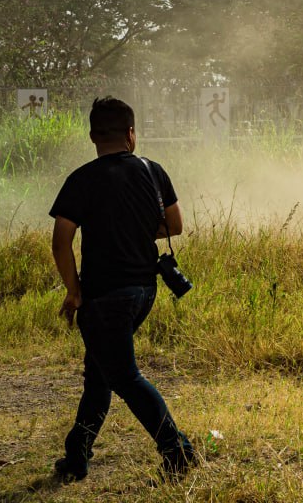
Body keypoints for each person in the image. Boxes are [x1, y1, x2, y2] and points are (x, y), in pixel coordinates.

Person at [49, 97, 195, 482]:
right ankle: (76, 456)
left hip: (103, 297)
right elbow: (174, 225)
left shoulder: (81, 179)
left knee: (124, 377)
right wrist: (135, 230)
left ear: (94, 136)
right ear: (131, 134)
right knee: (100, 373)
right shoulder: (153, 171)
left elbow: (61, 240)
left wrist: (73, 290)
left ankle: (177, 451)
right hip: (143, 291)